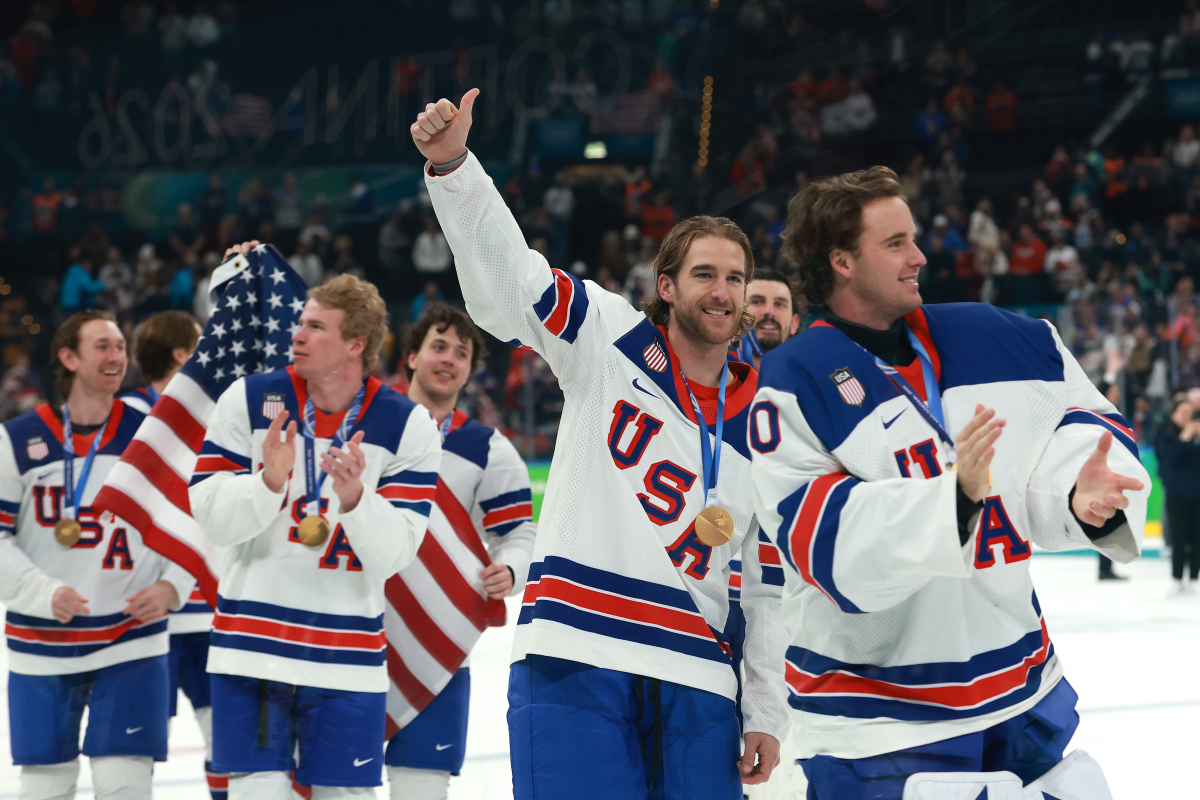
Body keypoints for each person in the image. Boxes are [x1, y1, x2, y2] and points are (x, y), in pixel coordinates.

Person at [412, 89, 788, 800]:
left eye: (735, 278)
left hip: (700, 678)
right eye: (705, 274)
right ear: (667, 287)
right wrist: (455, 165)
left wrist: (767, 709)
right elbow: (512, 283)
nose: (723, 292)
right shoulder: (608, 334)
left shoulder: (768, 420)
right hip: (574, 655)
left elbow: (766, 586)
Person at [751, 166, 1150, 799]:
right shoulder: (791, 381)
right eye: (896, 243)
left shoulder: (995, 337)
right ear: (842, 262)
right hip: (880, 722)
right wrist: (951, 499)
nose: (920, 255)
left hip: (1021, 692)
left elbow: (1075, 424)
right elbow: (827, 546)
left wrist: (1076, 493)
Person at [188, 268, 442, 800]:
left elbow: (397, 553)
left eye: (315, 327)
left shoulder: (407, 423)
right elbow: (208, 513)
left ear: (356, 344)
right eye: (300, 322)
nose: (297, 335)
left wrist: (355, 500)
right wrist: (267, 482)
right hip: (251, 646)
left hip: (347, 655)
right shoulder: (249, 397)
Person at [0, 310, 194, 799]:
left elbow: (198, 520)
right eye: (102, 347)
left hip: (132, 638)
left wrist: (174, 585)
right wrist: (42, 593)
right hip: (41, 643)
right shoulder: (16, 440)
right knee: (44, 787)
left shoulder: (155, 434)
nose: (117, 357)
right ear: (68, 357)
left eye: (120, 347)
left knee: (123, 784)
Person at [383, 302, 537, 800]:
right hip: (356, 633)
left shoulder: (489, 448)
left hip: (437, 640)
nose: (449, 359)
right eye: (439, 346)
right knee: (341, 786)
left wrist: (511, 570)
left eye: (462, 353)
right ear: (411, 356)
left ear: (471, 370)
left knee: (421, 789)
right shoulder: (366, 423)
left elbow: (519, 532)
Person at [121, 311, 223, 796]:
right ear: (183, 354)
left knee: (225, 738)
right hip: (145, 611)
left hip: (202, 610)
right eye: (201, 344)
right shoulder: (125, 420)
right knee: (129, 753)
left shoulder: (216, 415)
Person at [1157, 393, 1200, 595]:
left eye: (1190, 413)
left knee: (1197, 538)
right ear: (1174, 414)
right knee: (1179, 538)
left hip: (1197, 494)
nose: (1186, 417)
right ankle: (1176, 577)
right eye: (1183, 412)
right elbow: (1170, 459)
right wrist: (1185, 436)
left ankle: (1193, 578)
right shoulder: (1167, 433)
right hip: (1176, 494)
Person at [730, 266, 805, 371]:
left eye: (779, 304)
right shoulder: (712, 371)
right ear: (736, 317)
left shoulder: (809, 380)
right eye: (757, 302)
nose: (769, 311)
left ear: (794, 324)